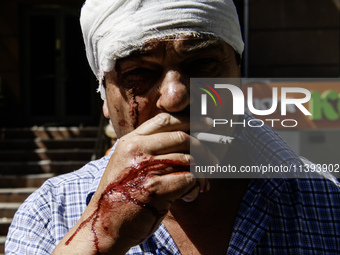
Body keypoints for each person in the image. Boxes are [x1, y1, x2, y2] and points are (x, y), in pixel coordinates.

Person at [5, 0, 340, 254]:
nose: (175, 96)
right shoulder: (51, 213)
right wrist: (103, 235)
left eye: (203, 63)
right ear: (104, 97)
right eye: (139, 72)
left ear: (240, 75)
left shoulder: (326, 200)